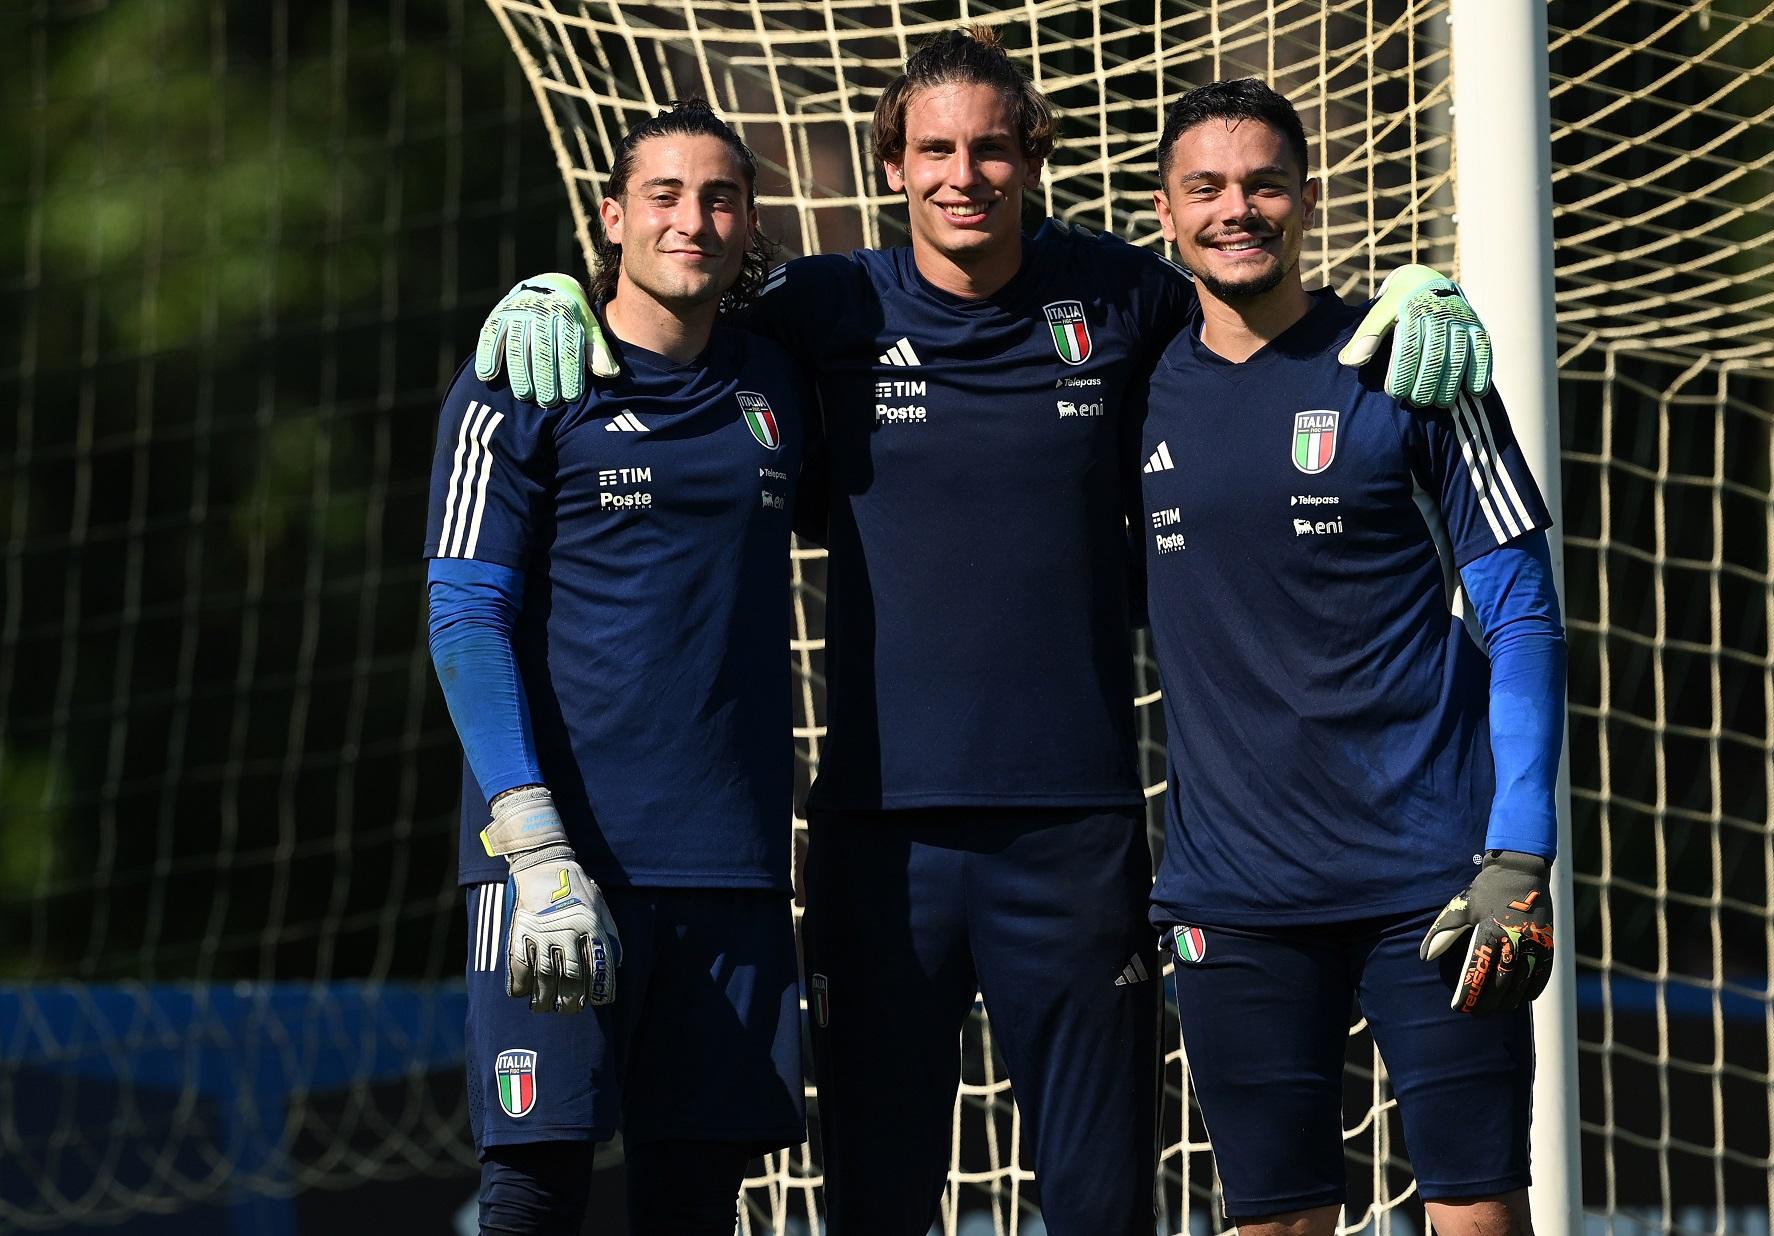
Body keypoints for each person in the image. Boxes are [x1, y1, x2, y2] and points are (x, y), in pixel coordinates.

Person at [473, 31, 1494, 1236]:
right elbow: (675, 301)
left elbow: (1259, 307)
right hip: (876, 843)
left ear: (1034, 160)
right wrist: (553, 289)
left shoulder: (1125, 295)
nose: (966, 173)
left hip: (1076, 836)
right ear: (893, 169)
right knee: (878, 1202)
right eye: (936, 150)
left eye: (994, 147)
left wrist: (1408, 294)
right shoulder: (821, 306)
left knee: (1101, 1207)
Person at [1137, 78, 1563, 1235]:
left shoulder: (1415, 363)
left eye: (1266, 182)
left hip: (1433, 883)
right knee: (1274, 1222)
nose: (1239, 209)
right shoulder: (1134, 384)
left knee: (1475, 1213)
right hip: (1233, 896)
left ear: (1308, 198)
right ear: (1165, 214)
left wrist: (1520, 852)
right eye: (1207, 188)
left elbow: (1521, 610)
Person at [423, 100, 814, 1236]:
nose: (692, 219)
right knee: (534, 1190)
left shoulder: (779, 387)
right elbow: (463, 616)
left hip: (731, 872)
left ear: (749, 226)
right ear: (611, 218)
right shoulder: (523, 377)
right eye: (664, 195)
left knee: (695, 1202)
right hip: (557, 873)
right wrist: (533, 843)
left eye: (720, 197)